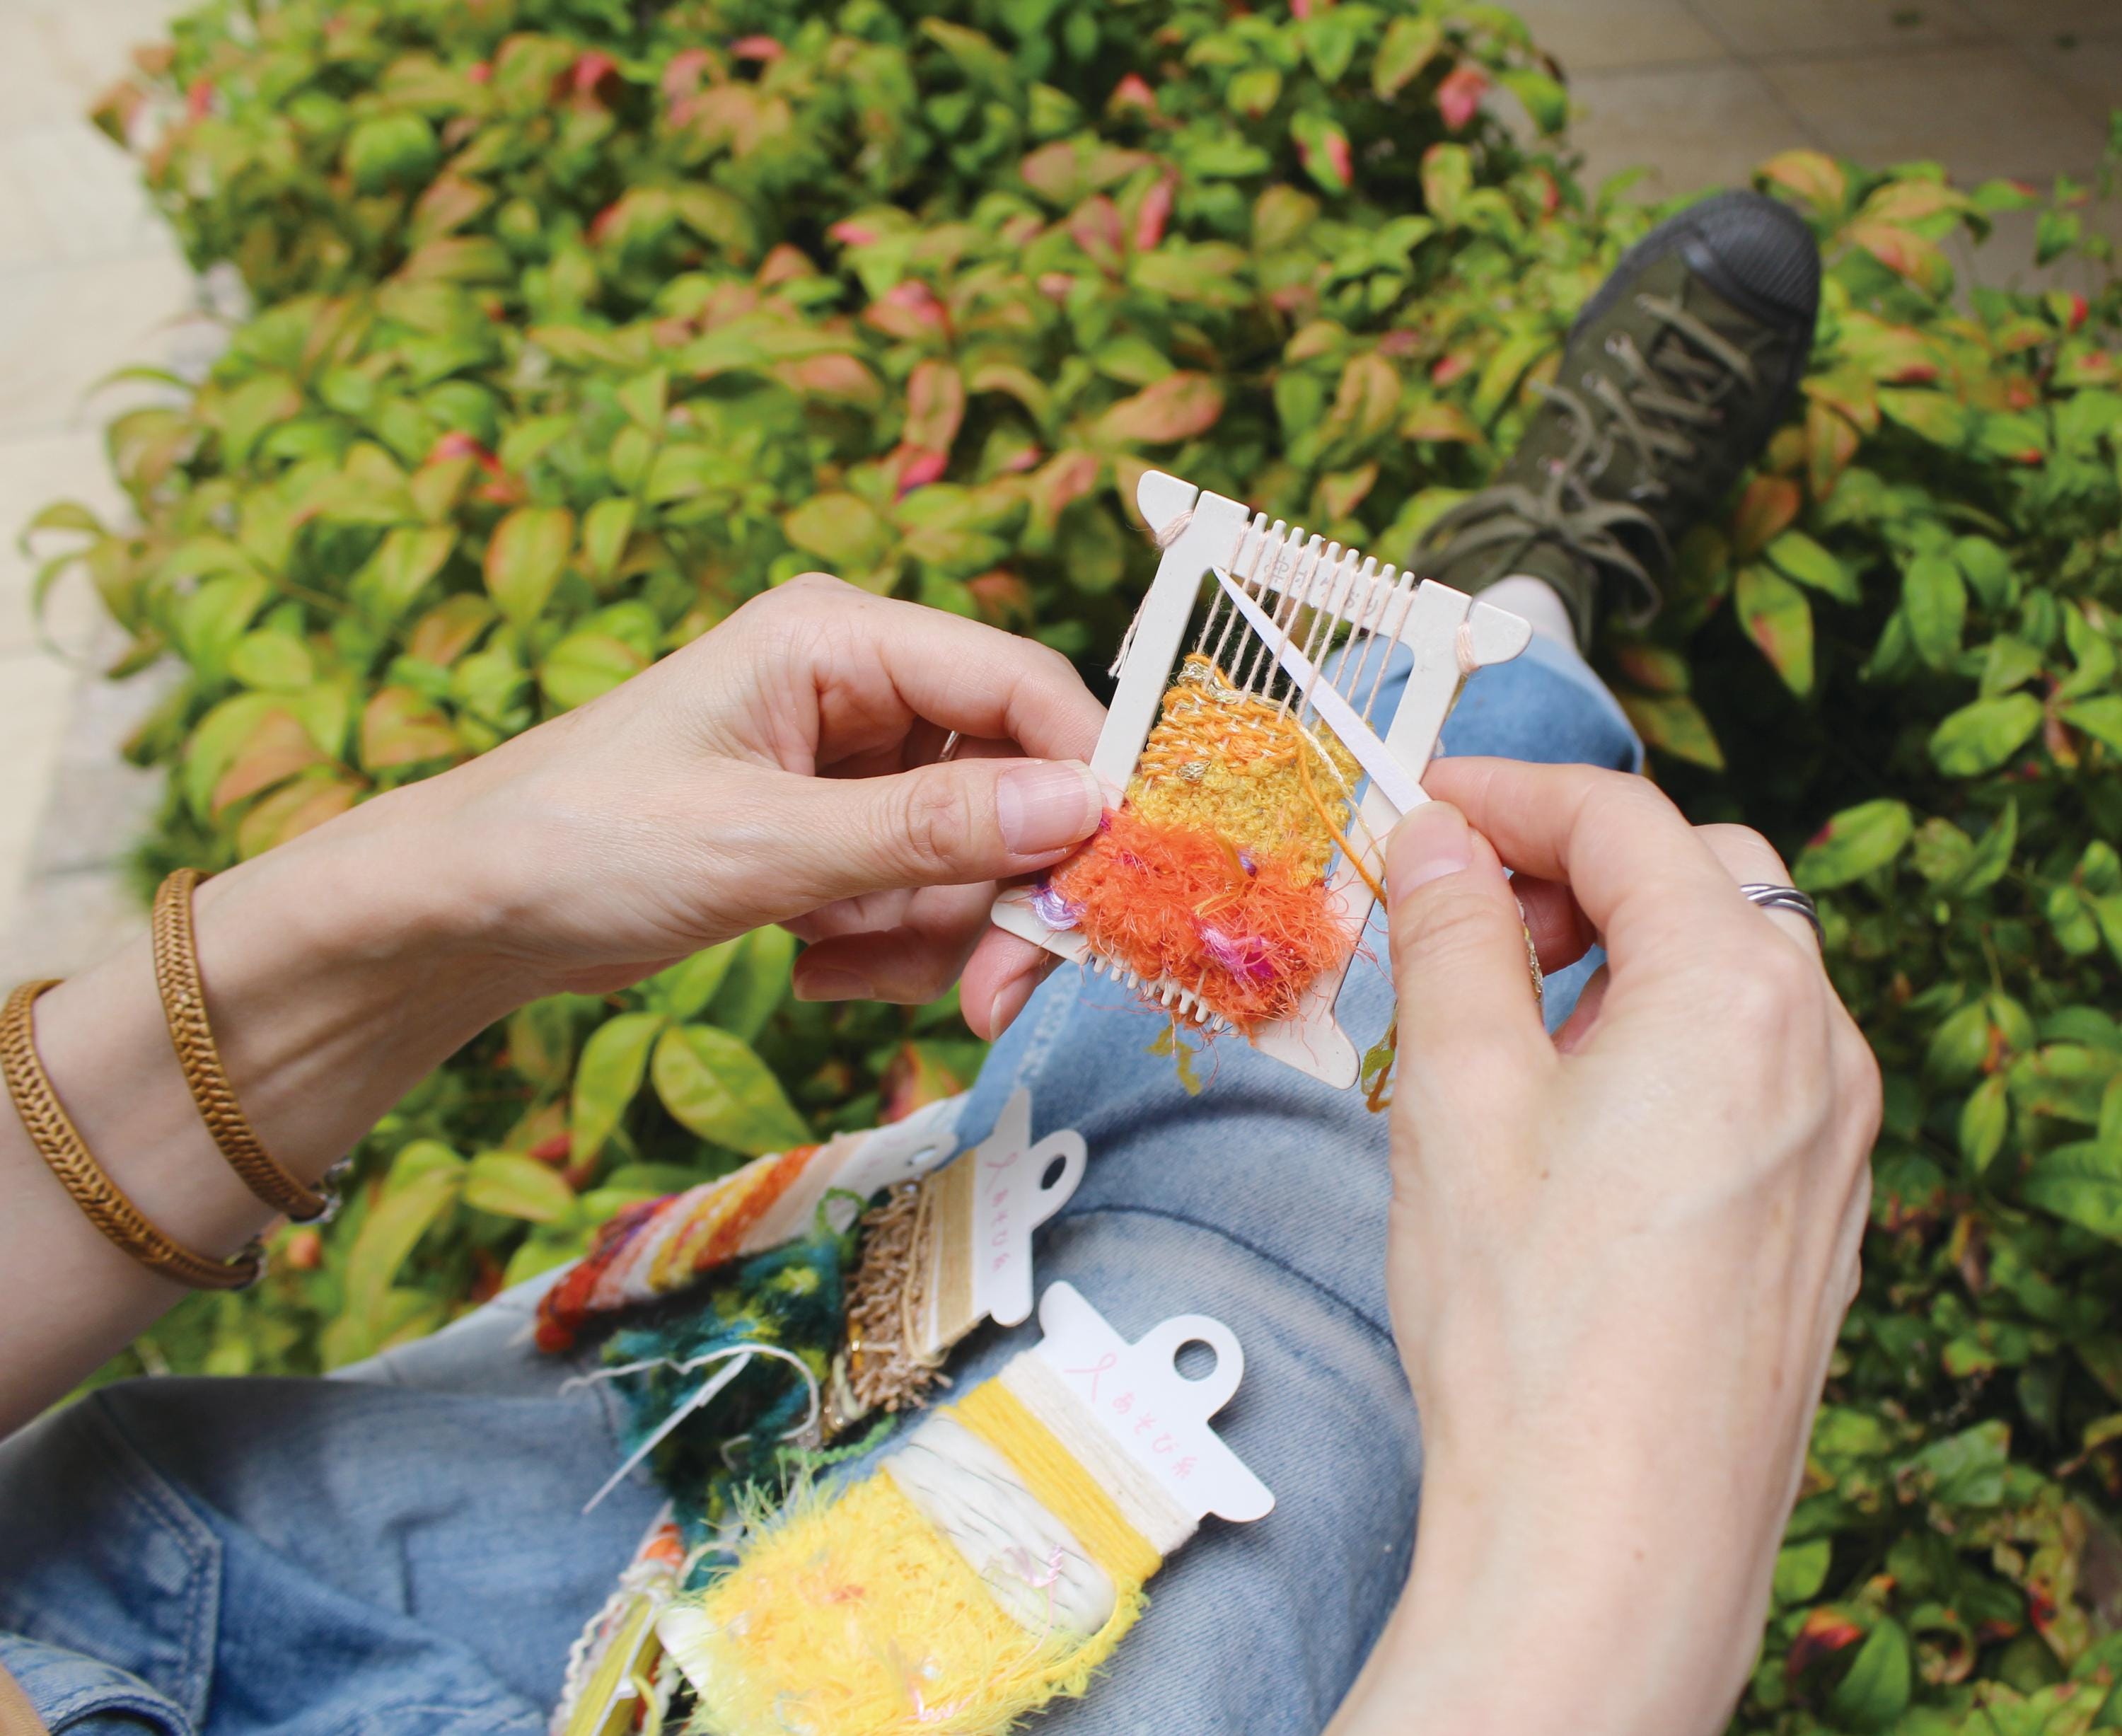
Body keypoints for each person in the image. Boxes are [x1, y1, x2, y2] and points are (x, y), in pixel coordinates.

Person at [0, 191, 1877, 1736]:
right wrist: (1614, 1554)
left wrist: (407, 906)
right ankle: (1520, 621)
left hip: (154, 1576)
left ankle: (1499, 634)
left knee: (1160, 1136)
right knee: (1294, 1244)